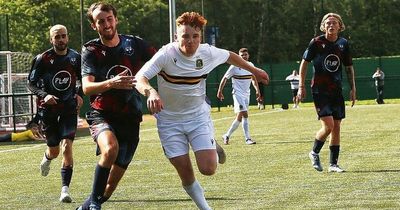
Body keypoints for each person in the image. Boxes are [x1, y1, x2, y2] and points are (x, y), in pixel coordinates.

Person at [136, 12, 269, 210]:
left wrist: (255, 71)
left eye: (195, 36)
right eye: (185, 36)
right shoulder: (166, 54)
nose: (190, 41)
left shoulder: (207, 52)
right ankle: (205, 208)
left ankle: (212, 144)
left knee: (208, 169)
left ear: (200, 37)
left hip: (197, 116)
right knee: (184, 169)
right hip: (169, 121)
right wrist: (151, 92)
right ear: (176, 37)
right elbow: (140, 78)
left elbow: (231, 57)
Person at [77, 2, 156, 210]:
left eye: (109, 19)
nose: (106, 24)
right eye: (100, 21)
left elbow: (161, 60)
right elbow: (86, 87)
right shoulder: (91, 49)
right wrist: (111, 83)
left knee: (109, 187)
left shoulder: (135, 44)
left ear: (116, 19)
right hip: (101, 114)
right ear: (94, 26)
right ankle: (94, 204)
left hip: (131, 117)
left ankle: (87, 206)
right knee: (110, 149)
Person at [27, 24, 82, 203]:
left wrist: (80, 95)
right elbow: (31, 83)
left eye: (63, 36)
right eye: (57, 37)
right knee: (55, 150)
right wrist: (45, 95)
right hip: (49, 111)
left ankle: (64, 190)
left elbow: (85, 78)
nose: (61, 40)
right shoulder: (42, 58)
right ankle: (47, 157)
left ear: (68, 37)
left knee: (67, 146)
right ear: (51, 39)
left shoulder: (76, 58)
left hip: (69, 109)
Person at [297, 13, 356, 173]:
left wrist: (353, 88)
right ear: (324, 26)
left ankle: (333, 164)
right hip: (319, 90)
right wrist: (301, 86)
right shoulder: (316, 42)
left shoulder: (343, 43)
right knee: (329, 126)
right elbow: (304, 63)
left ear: (340, 26)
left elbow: (349, 67)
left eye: (334, 23)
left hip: (336, 91)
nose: (331, 25)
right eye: (328, 23)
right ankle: (314, 152)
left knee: (336, 127)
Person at [217, 48, 261, 145]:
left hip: (247, 95)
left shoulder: (251, 65)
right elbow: (225, 78)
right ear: (239, 56)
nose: (244, 56)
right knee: (245, 114)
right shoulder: (234, 67)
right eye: (242, 55)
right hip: (237, 94)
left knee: (239, 118)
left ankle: (226, 135)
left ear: (248, 55)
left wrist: (257, 90)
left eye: (245, 54)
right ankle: (247, 139)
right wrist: (220, 91)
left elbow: (253, 78)